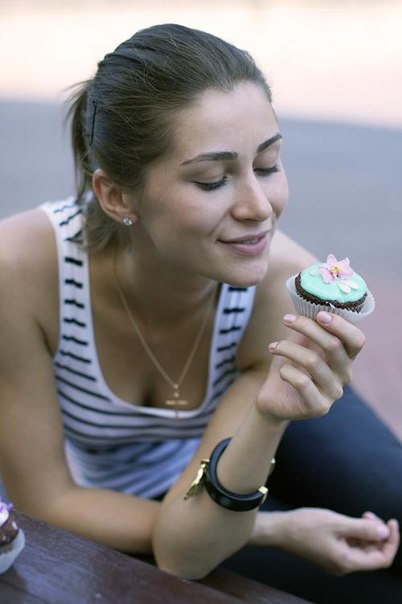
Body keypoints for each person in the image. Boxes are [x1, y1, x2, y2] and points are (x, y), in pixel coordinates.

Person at [0, 23, 400, 603]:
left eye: (268, 165)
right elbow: (56, 505)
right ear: (116, 195)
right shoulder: (20, 270)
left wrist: (271, 412)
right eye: (213, 180)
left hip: (257, 417)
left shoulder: (280, 287)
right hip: (118, 497)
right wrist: (275, 526)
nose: (259, 208)